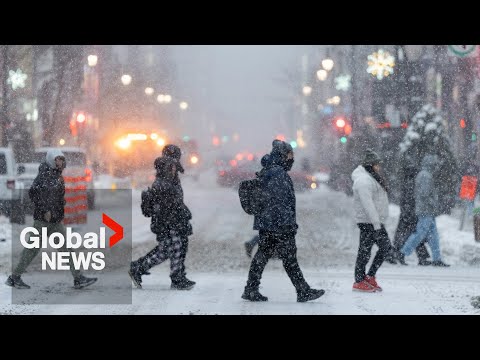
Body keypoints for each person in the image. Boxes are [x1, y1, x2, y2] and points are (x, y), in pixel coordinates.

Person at [241, 140, 325, 302]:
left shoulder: (270, 170)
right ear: (281, 155)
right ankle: (302, 291)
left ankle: (251, 289)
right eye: (289, 155)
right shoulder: (278, 173)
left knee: (264, 255)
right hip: (278, 225)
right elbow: (280, 203)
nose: (291, 158)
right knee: (288, 258)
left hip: (269, 223)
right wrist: (288, 225)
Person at [5, 149, 98, 289]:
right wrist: (45, 210)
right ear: (50, 160)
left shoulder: (55, 175)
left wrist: (59, 207)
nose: (59, 162)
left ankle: (78, 278)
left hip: (54, 221)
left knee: (66, 248)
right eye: (57, 159)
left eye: (61, 159)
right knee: (32, 249)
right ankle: (14, 277)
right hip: (43, 220)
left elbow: (55, 196)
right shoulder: (45, 175)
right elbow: (34, 193)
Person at [129, 145, 196, 290]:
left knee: (169, 249)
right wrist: (173, 220)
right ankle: (176, 277)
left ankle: (139, 268)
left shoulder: (170, 176)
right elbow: (167, 204)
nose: (174, 167)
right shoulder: (164, 181)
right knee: (174, 247)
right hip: (168, 221)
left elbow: (174, 201)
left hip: (173, 220)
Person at [351, 149, 392, 292]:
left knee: (382, 248)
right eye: (376, 165)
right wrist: (376, 224)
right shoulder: (363, 181)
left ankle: (368, 277)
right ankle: (359, 280)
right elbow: (368, 204)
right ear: (370, 165)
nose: (378, 167)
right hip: (369, 222)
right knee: (366, 251)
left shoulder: (370, 178)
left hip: (374, 222)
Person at [400, 154, 450, 267]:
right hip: (425, 210)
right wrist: (434, 202)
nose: (436, 166)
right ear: (430, 164)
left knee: (433, 235)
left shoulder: (426, 175)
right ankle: (403, 252)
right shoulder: (425, 176)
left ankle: (437, 259)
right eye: (435, 164)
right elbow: (424, 194)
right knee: (421, 233)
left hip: (428, 210)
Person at [393, 162, 431, 266]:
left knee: (408, 234)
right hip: (411, 212)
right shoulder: (411, 182)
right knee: (415, 234)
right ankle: (420, 256)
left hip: (406, 212)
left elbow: (405, 199)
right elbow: (412, 198)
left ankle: (397, 252)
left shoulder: (406, 181)